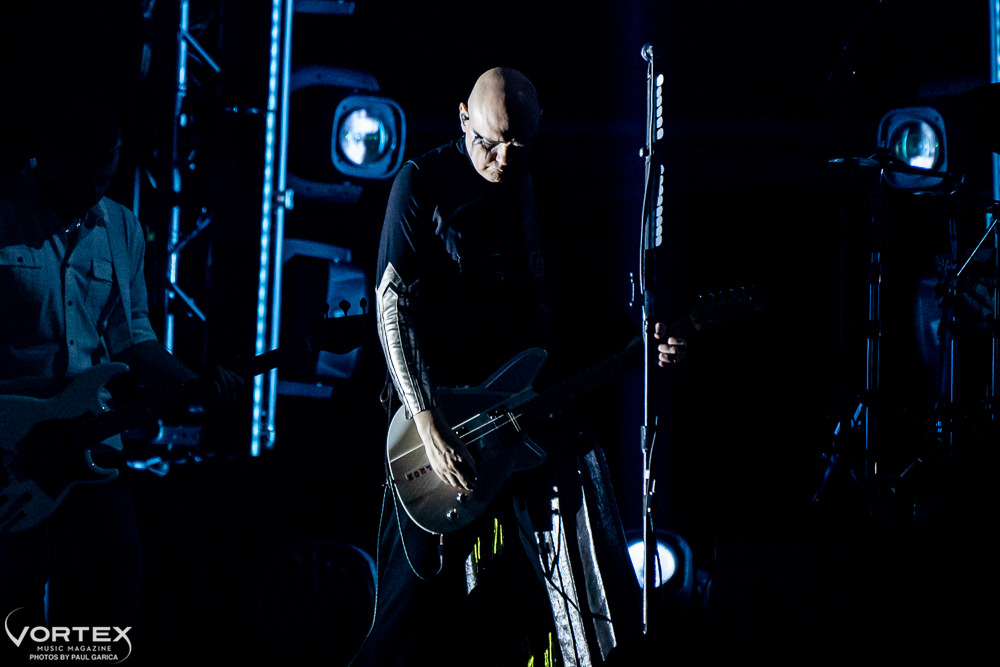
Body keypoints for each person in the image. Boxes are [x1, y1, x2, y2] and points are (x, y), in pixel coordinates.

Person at [356, 67, 687, 666]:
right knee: (406, 621)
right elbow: (392, 310)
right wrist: (427, 424)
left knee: (575, 603)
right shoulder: (421, 183)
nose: (504, 157)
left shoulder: (545, 192)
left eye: (518, 144)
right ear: (463, 115)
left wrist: (644, 339)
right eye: (489, 141)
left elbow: (582, 304)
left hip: (529, 423)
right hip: (439, 429)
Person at [0, 97, 242, 662]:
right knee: (14, 606)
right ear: (48, 156)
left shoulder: (122, 227)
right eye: (88, 170)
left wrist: (194, 382)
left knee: (115, 591)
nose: (98, 184)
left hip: (92, 443)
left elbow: (133, 341)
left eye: (109, 168)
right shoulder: (4, 213)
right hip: (10, 448)